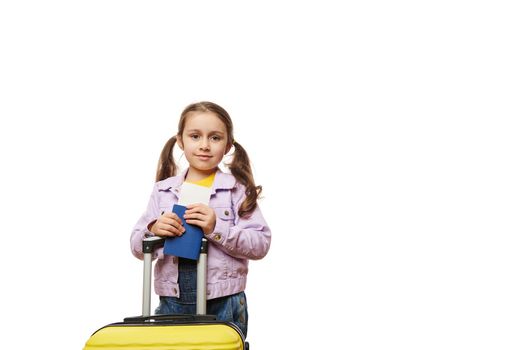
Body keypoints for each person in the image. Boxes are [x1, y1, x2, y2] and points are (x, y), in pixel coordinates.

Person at [130, 101, 271, 338]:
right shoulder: (164, 191)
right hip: (172, 299)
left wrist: (217, 228)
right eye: (195, 136)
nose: (204, 145)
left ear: (227, 145)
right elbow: (136, 246)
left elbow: (260, 244)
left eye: (215, 138)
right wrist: (154, 229)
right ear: (180, 141)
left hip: (223, 300)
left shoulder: (236, 191)